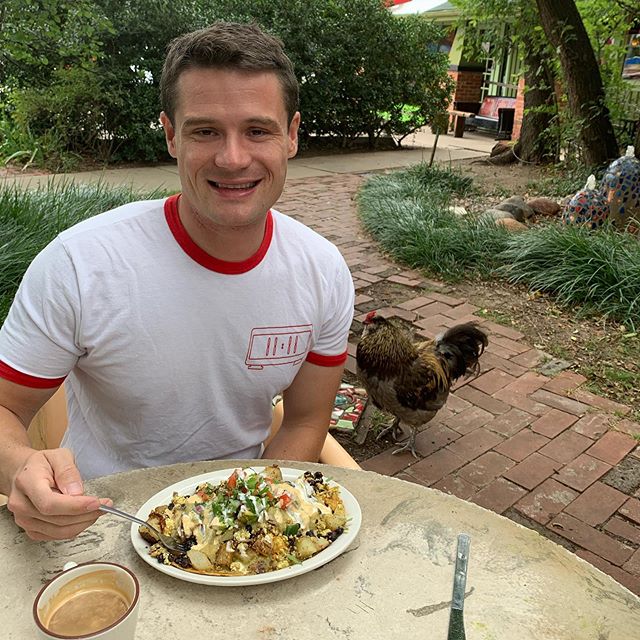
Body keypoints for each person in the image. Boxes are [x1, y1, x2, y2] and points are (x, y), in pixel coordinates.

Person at [0, 21, 356, 541]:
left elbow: (305, 422)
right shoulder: (81, 265)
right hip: (100, 520)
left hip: (246, 519)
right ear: (170, 134)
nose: (233, 159)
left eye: (257, 130)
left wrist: (252, 525)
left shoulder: (322, 271)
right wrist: (20, 469)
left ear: (292, 135)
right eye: (205, 131)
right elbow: (6, 408)